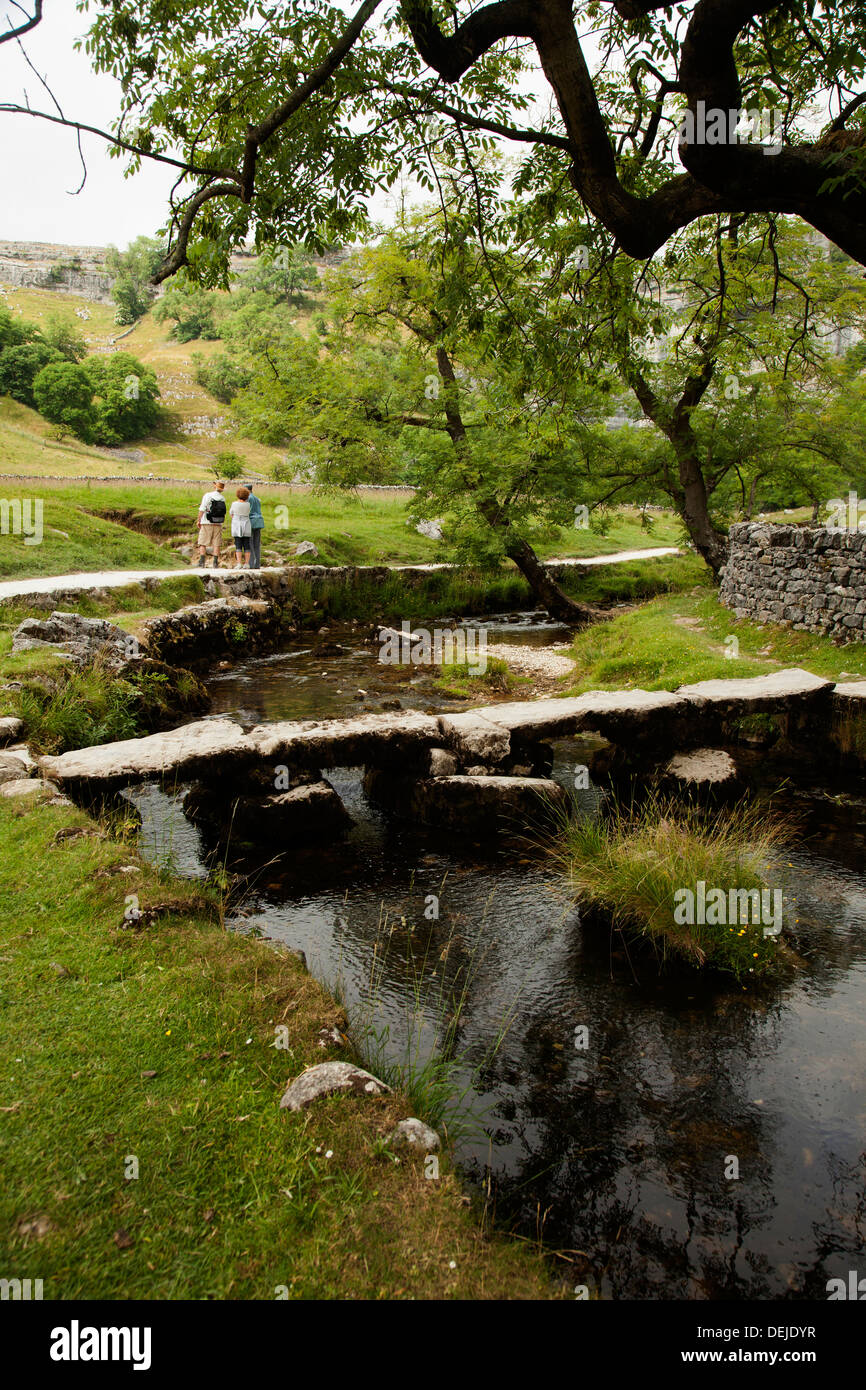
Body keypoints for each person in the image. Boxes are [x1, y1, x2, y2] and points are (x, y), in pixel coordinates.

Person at [196, 480, 226, 567]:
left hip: (207, 522)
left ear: (214, 486)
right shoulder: (222, 498)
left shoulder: (207, 495)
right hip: (218, 522)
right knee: (216, 543)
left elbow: (202, 509)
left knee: (203, 542)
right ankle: (215, 562)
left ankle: (202, 562)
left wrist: (199, 520)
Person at [230, 486, 252, 568]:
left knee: (238, 544)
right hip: (246, 524)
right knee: (246, 544)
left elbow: (231, 513)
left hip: (237, 525)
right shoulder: (248, 504)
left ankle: (239, 563)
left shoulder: (234, 504)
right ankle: (247, 563)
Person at [246, 482, 264, 569]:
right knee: (257, 543)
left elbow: (248, 511)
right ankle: (257, 564)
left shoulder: (248, 498)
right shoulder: (257, 498)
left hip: (251, 521)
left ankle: (251, 563)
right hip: (259, 520)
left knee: (250, 543)